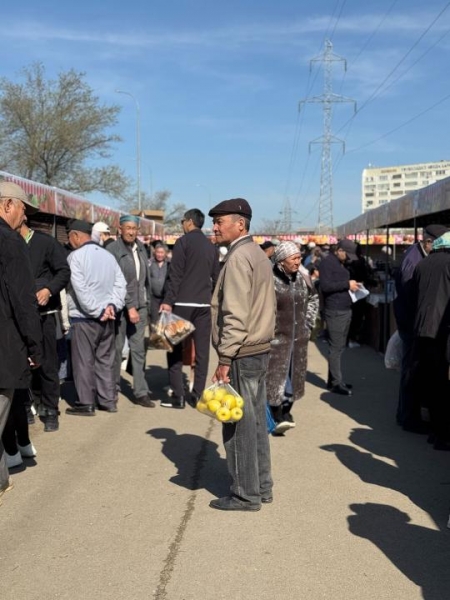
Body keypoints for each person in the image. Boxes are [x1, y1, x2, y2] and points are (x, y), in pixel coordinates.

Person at [208, 198, 276, 511]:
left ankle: (246, 495)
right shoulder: (257, 254)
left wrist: (224, 359)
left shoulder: (238, 257)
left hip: (241, 353)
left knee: (238, 426)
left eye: (219, 221)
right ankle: (261, 487)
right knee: (256, 423)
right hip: (257, 349)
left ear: (240, 224)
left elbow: (235, 314)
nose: (215, 227)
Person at [0, 181, 43, 503]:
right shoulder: (10, 242)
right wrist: (34, 346)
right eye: (23, 208)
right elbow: (23, 301)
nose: (24, 215)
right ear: (7, 205)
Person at [65, 219, 127, 415]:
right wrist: (112, 306)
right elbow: (121, 285)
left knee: (84, 361)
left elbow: (80, 289)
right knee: (105, 360)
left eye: (69, 237)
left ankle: (86, 403)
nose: (68, 241)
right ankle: (108, 400)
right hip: (108, 318)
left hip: (85, 318)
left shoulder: (75, 257)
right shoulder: (108, 256)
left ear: (76, 235)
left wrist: (98, 310)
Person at [160, 209, 220, 409]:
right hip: (203, 305)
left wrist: (168, 300)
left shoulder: (182, 242)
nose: (181, 224)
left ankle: (178, 396)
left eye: (182, 221)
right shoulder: (211, 247)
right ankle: (197, 395)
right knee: (202, 353)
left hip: (182, 304)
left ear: (189, 222)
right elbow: (216, 277)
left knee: (174, 349)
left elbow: (175, 274)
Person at [393, 224, 448, 432]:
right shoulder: (414, 260)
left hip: (415, 322)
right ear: (429, 241)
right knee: (412, 371)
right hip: (413, 324)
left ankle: (408, 415)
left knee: (414, 370)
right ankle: (408, 417)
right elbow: (411, 294)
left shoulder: (418, 257)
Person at [19, 221, 71, 432]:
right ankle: (25, 405)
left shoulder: (46, 242)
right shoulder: (7, 243)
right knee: (21, 364)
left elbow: (63, 272)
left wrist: (49, 289)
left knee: (48, 363)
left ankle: (50, 409)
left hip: (45, 315)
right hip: (18, 316)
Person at [266, 241, 319, 434]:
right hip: (276, 341)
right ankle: (275, 415)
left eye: (299, 257)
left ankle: (286, 411)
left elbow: (313, 298)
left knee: (294, 377)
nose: (298, 262)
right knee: (275, 378)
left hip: (299, 340)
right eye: (293, 258)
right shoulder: (270, 281)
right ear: (281, 261)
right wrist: (269, 330)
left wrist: (308, 323)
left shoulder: (303, 279)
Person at [107, 215, 155, 408]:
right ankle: (112, 389)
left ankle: (140, 392)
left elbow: (144, 280)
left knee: (138, 350)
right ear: (120, 229)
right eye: (128, 228)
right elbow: (116, 280)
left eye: (134, 228)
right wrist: (130, 306)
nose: (131, 232)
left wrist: (147, 305)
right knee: (117, 349)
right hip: (120, 308)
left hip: (140, 306)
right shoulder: (112, 250)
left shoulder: (141, 248)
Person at [410, 232, 450, 449]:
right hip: (442, 331)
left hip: (422, 328)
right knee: (442, 384)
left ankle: (435, 431)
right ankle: (443, 435)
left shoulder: (422, 264)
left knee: (430, 381)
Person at [319, 239, 361, 395]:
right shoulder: (327, 263)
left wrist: (351, 285)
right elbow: (325, 286)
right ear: (340, 250)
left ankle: (334, 380)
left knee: (339, 347)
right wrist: (347, 284)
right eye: (347, 255)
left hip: (344, 308)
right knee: (336, 348)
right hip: (336, 310)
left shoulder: (338, 263)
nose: (349, 258)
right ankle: (336, 383)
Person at [149, 243, 169, 326]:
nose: (159, 255)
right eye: (158, 252)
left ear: (165, 253)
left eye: (162, 252)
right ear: (155, 252)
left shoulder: (170, 264)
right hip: (153, 298)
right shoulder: (149, 263)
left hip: (166, 298)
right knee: (154, 321)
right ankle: (154, 334)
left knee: (166, 321)